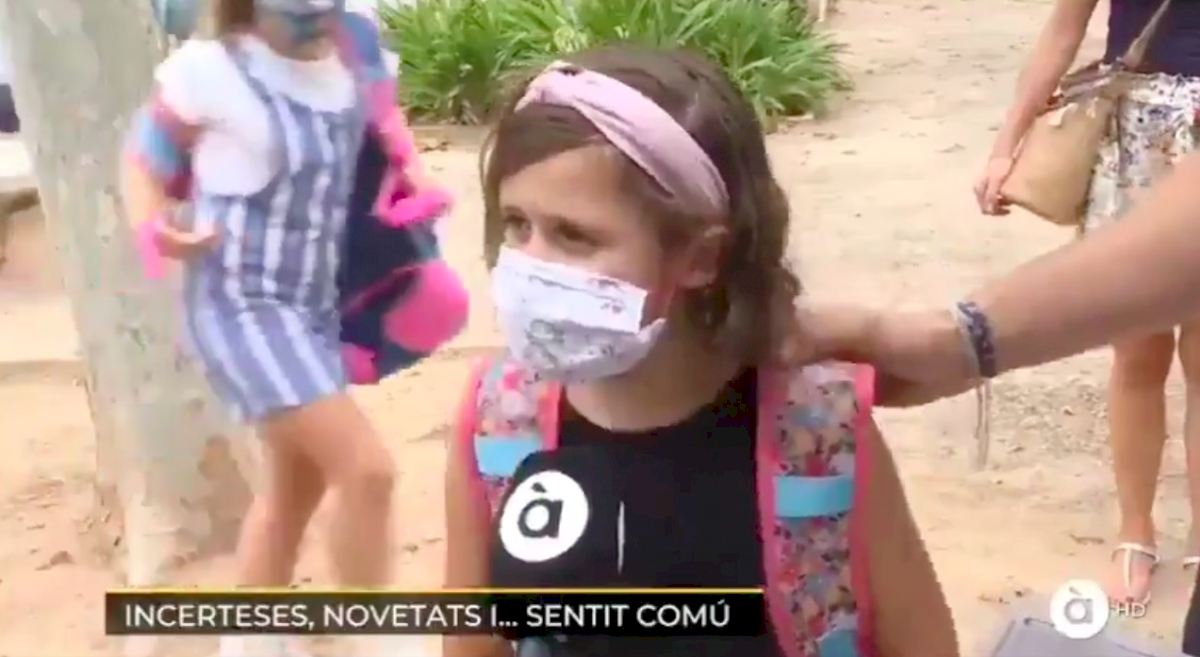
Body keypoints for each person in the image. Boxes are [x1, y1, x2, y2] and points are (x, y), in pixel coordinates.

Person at [443, 46, 958, 657]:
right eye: (516, 224)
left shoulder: (820, 430)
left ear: (701, 256)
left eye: (573, 235)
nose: (530, 266)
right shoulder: (499, 420)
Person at [119, 1, 446, 655]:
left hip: (314, 305)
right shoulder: (210, 71)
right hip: (239, 308)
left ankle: (250, 637)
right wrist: (155, 229)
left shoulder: (356, 43)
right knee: (367, 471)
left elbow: (384, 121)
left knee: (296, 484)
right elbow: (144, 161)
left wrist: (410, 178)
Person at [972, 0, 1199, 606]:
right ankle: (1135, 532)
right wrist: (1006, 145)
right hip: (1138, 137)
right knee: (1138, 356)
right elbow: (1063, 31)